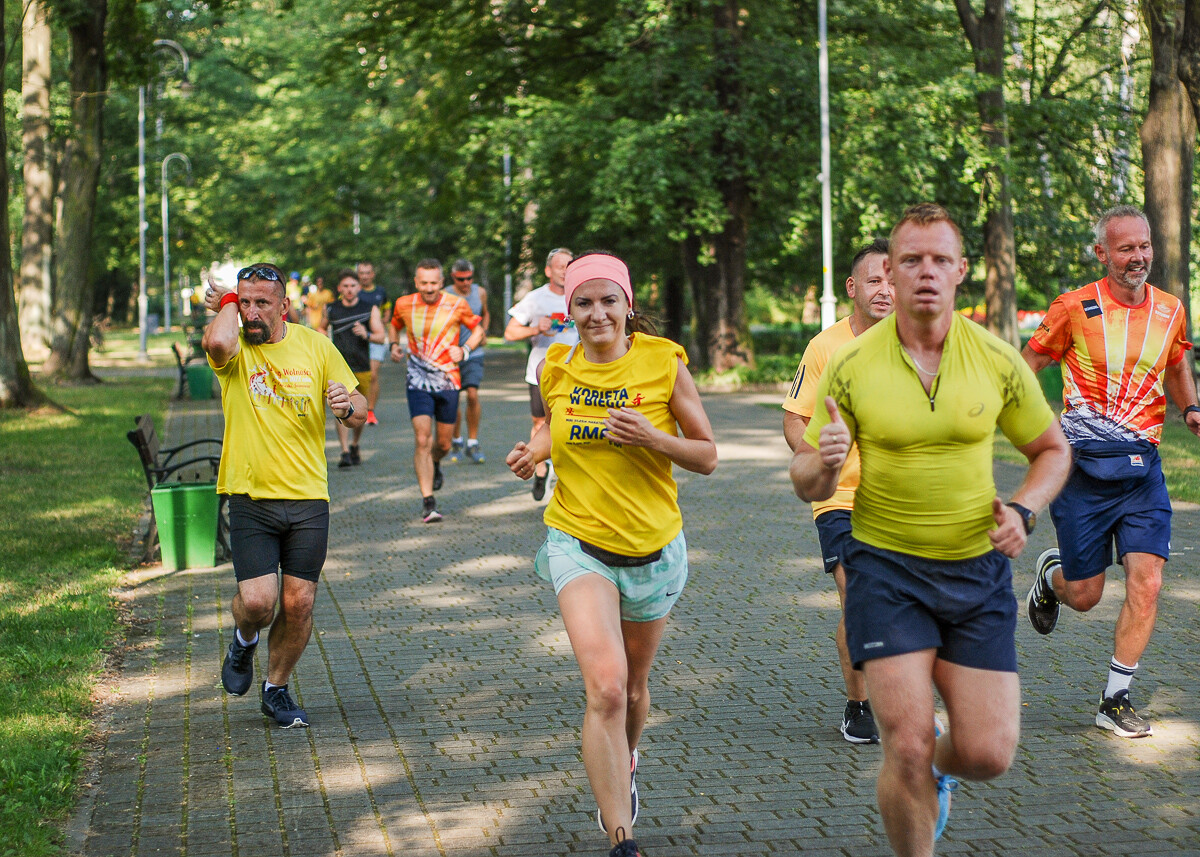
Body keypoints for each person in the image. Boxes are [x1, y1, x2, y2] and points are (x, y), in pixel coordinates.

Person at [790, 204, 1071, 856]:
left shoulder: (996, 359)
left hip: (975, 571)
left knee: (987, 751)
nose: (924, 273)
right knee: (906, 745)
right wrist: (824, 459)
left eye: (939, 259)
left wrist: (1025, 509)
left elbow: (1053, 450)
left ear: (961, 271)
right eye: (910, 260)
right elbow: (806, 481)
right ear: (888, 270)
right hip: (884, 568)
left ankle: (942, 768)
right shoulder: (852, 361)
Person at [506, 252, 717, 857]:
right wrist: (535, 452)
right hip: (578, 540)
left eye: (607, 301)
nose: (596, 313)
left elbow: (706, 455)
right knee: (604, 685)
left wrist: (654, 438)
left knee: (631, 690)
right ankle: (622, 836)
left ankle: (626, 758)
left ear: (627, 305)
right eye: (583, 303)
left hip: (653, 547)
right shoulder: (556, 364)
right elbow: (553, 424)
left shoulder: (663, 362)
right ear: (566, 310)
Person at [1022, 205, 1200, 739]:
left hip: (1143, 469)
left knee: (1148, 580)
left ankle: (1115, 698)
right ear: (1103, 253)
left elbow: (1176, 364)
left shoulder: (1171, 310)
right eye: (1126, 249)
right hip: (1082, 471)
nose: (1138, 257)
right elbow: (1025, 368)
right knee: (1086, 595)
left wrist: (1190, 407)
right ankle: (1052, 577)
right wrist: (1040, 432)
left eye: (1144, 247)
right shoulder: (1073, 307)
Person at [202, 262, 366, 729]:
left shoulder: (315, 346)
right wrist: (231, 305)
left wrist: (347, 406)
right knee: (258, 602)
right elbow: (215, 342)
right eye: (245, 302)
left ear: (284, 307)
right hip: (250, 495)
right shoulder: (235, 352)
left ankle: (276, 689)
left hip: (309, 498)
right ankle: (243, 639)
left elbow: (359, 410)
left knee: (299, 604)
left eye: (262, 304)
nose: (252, 312)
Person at [782, 237, 893, 745]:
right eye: (875, 280)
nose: (886, 290)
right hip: (840, 497)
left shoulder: (919, 341)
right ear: (853, 287)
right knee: (857, 594)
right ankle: (858, 705)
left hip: (902, 497)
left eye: (894, 279)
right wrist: (816, 460)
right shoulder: (826, 346)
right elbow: (795, 419)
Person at [389, 258, 485, 522]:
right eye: (424, 283)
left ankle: (436, 462)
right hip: (417, 379)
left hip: (448, 381)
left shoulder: (457, 304)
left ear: (441, 283)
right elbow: (394, 325)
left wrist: (465, 350)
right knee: (422, 439)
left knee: (442, 443)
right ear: (416, 282)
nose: (429, 288)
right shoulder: (403, 304)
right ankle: (428, 501)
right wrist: (393, 346)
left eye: (433, 283)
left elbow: (478, 330)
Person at [504, 248, 578, 500]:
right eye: (560, 266)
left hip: (577, 371)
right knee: (541, 423)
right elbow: (510, 333)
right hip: (541, 371)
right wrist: (536, 327)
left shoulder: (582, 296)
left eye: (570, 265)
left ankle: (567, 474)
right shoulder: (536, 299)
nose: (566, 270)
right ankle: (541, 469)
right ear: (548, 270)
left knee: (573, 421)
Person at [320, 269, 386, 468]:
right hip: (338, 366)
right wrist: (323, 339)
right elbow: (321, 327)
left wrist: (366, 333)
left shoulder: (370, 308)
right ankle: (344, 451)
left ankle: (355, 444)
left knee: (359, 409)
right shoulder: (331, 309)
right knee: (340, 407)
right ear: (340, 288)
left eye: (353, 286)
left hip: (361, 365)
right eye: (345, 286)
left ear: (359, 287)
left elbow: (381, 337)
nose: (349, 290)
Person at [443, 258, 490, 464]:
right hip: (451, 354)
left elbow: (485, 314)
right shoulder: (445, 295)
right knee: (454, 400)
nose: (466, 283)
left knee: (472, 394)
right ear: (454, 278)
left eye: (469, 278)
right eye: (461, 279)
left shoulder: (479, 293)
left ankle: (473, 441)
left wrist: (483, 332)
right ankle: (456, 440)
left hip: (474, 352)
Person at [357, 261, 389, 425]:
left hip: (376, 338)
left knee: (373, 375)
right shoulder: (353, 292)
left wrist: (384, 320)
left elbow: (387, 307)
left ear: (373, 274)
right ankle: (357, 407)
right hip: (357, 340)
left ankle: (370, 410)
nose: (365, 276)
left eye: (367, 273)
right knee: (358, 377)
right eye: (361, 273)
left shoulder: (380, 292)